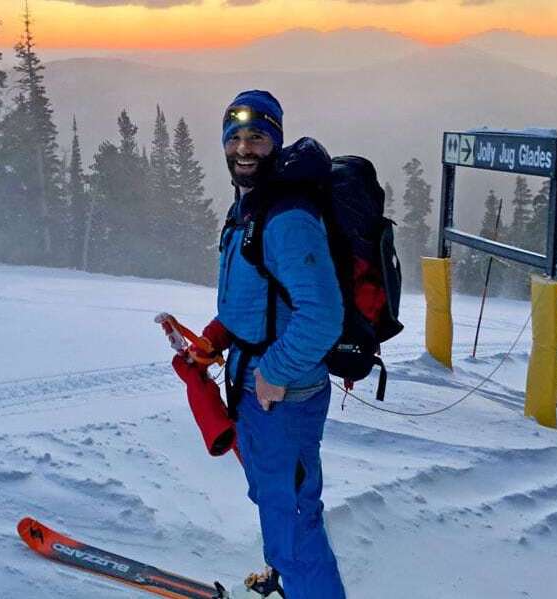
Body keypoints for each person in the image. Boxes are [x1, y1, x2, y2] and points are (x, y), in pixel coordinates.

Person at [201, 90, 347, 599]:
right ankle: (289, 583)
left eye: (257, 137)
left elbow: (323, 316)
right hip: (257, 388)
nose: (243, 148)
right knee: (274, 499)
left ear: (276, 142)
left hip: (285, 396)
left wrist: (275, 372)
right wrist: (213, 339)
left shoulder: (286, 219)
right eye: (235, 137)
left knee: (295, 520)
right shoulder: (250, 206)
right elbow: (254, 297)